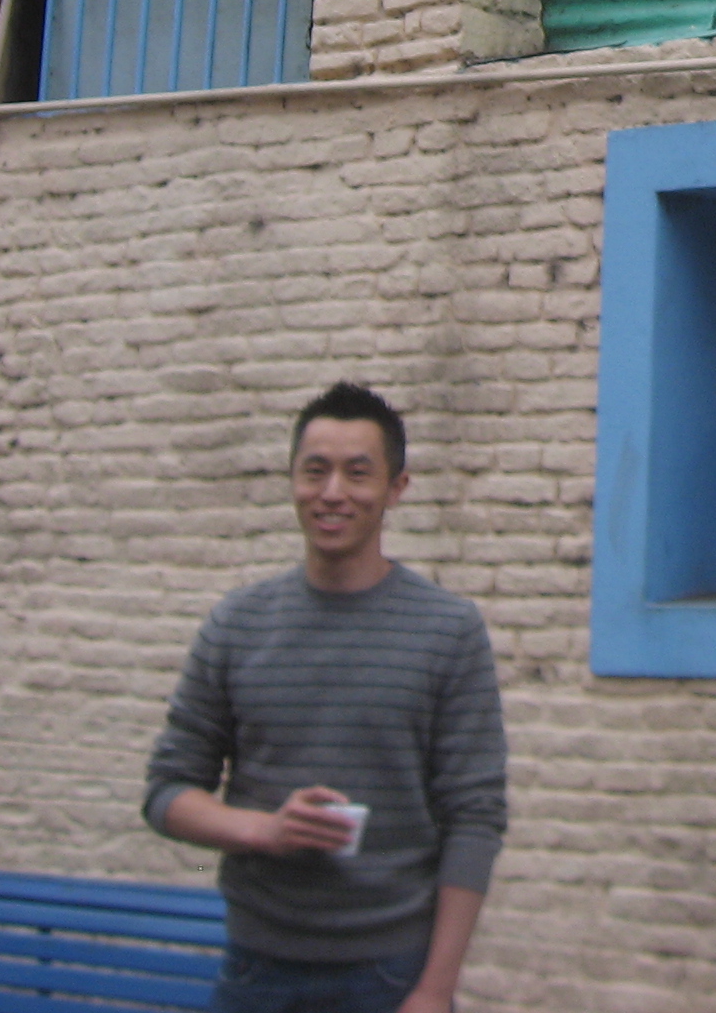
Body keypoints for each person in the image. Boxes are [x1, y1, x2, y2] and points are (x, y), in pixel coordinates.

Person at [144, 383, 507, 1013]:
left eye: (358, 473)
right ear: (292, 481)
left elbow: (475, 818)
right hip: (257, 971)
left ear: (396, 489)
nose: (333, 492)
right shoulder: (237, 624)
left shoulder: (449, 632)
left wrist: (435, 989)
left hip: (391, 974)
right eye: (315, 471)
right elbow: (167, 792)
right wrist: (264, 830)